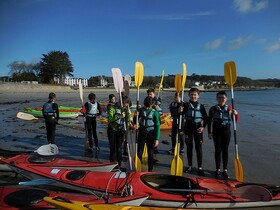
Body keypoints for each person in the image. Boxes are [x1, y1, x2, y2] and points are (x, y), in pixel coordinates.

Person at [208, 91, 239, 179]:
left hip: (226, 131)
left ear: (226, 99)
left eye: (223, 98)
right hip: (216, 131)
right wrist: (209, 132)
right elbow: (209, 121)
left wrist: (236, 114)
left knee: (225, 150)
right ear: (217, 99)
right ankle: (217, 169)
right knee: (217, 150)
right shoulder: (213, 109)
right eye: (219, 97)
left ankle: (225, 169)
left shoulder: (230, 108)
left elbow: (235, 121)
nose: (221, 99)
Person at [181, 87, 208, 176]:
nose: (193, 96)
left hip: (198, 129)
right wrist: (179, 111)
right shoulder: (185, 105)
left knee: (198, 148)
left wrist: (203, 127)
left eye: (195, 95)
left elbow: (206, 118)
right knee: (189, 148)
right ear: (189, 95)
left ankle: (199, 167)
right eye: (192, 95)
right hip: (188, 128)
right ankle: (190, 166)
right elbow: (179, 116)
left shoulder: (201, 107)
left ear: (198, 96)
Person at [135, 96, 160, 172]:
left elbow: (157, 126)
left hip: (151, 134)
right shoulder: (140, 110)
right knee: (139, 152)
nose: (146, 108)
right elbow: (134, 121)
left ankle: (150, 170)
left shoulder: (155, 113)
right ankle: (137, 169)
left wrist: (157, 139)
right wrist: (135, 116)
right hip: (142, 133)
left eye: (148, 106)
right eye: (145, 106)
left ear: (152, 105)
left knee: (150, 153)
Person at [107, 95, 131, 168]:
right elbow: (110, 119)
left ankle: (119, 165)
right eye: (124, 105)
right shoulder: (112, 107)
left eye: (126, 106)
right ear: (122, 103)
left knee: (119, 149)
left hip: (120, 131)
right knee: (113, 148)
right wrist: (119, 116)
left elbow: (127, 121)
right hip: (112, 130)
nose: (125, 107)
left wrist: (129, 122)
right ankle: (111, 164)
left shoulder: (126, 110)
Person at [147, 88, 162, 155]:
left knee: (155, 132)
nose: (149, 95)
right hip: (149, 119)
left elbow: (159, 109)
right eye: (148, 94)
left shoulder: (157, 100)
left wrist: (156, 104)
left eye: (151, 94)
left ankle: (155, 148)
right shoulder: (147, 100)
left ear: (154, 94)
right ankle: (149, 147)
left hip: (156, 118)